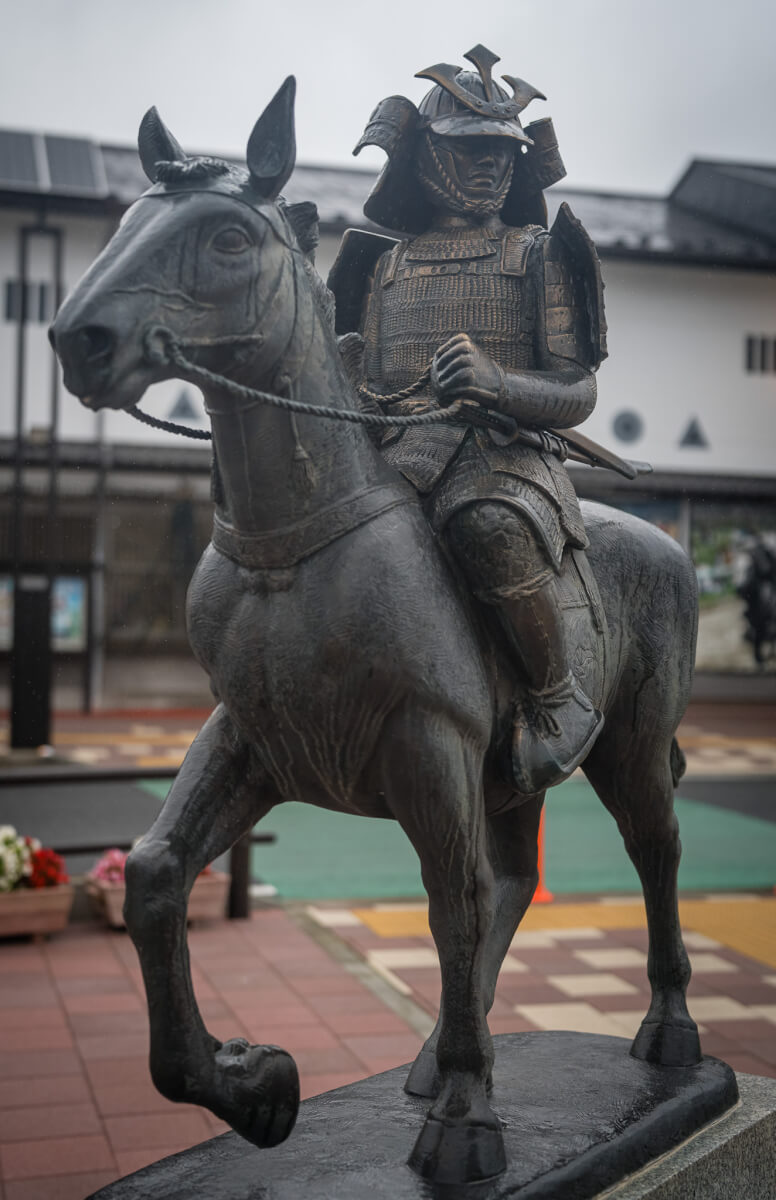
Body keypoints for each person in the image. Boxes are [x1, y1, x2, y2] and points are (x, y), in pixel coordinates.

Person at [329, 45, 608, 793]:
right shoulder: (379, 265)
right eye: (469, 149)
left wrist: (499, 381)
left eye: (501, 152)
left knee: (484, 524)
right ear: (424, 157)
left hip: (502, 457)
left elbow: (578, 389)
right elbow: (359, 383)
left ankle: (558, 698)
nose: (490, 165)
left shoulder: (539, 254)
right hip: (396, 456)